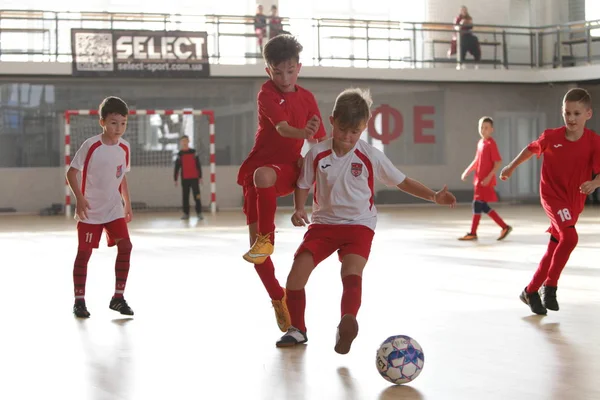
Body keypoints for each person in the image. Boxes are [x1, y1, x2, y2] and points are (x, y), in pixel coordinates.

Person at [275, 88, 457, 353]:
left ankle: (347, 323)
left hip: (359, 226)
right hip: (323, 225)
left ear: (364, 128)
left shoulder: (370, 155)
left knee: (351, 273)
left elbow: (402, 181)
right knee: (296, 274)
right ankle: (297, 330)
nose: (348, 138)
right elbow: (303, 183)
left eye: (355, 132)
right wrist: (298, 208)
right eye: (343, 130)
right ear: (332, 121)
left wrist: (433, 196)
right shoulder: (317, 154)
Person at [237, 34, 327, 332]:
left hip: (290, 168)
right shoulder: (265, 94)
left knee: (266, 174)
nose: (285, 78)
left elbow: (319, 139)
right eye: (278, 72)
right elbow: (284, 129)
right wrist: (305, 131)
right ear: (268, 71)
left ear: (298, 68)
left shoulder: (307, 97)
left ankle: (267, 238)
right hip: (261, 171)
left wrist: (315, 141)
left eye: (290, 71)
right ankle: (278, 297)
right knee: (256, 252)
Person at [500, 88, 600, 315]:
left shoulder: (594, 142)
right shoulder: (551, 137)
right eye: (567, 113)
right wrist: (510, 167)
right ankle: (550, 287)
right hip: (552, 196)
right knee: (570, 237)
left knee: (556, 246)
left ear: (588, 114)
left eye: (576, 113)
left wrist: (595, 183)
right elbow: (530, 149)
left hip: (574, 201)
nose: (571, 118)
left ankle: (530, 290)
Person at [66, 96, 134, 318]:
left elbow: (121, 176)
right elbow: (71, 173)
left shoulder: (125, 147)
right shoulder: (91, 145)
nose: (118, 128)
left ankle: (118, 298)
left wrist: (127, 203)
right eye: (114, 122)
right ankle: (79, 301)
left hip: (113, 209)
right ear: (102, 122)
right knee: (84, 253)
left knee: (126, 246)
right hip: (90, 210)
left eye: (123, 123)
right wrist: (79, 198)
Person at [459, 116, 512, 241]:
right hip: (478, 180)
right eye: (481, 127)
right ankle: (504, 227)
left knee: (477, 204)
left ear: (491, 129)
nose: (483, 130)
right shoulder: (480, 143)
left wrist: (489, 177)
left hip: (485, 181)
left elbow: (498, 162)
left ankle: (473, 232)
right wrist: (467, 170)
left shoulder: (491, 144)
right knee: (482, 206)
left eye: (486, 128)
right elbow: (477, 160)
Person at [174, 135, 204, 220]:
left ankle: (199, 213)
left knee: (197, 196)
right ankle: (186, 213)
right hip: (185, 178)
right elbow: (177, 167)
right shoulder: (179, 154)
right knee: (185, 196)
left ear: (188, 141)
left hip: (194, 178)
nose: (184, 143)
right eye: (182, 141)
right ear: (181, 143)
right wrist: (175, 179)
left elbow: (198, 165)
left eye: (185, 141)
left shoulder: (193, 152)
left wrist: (200, 176)